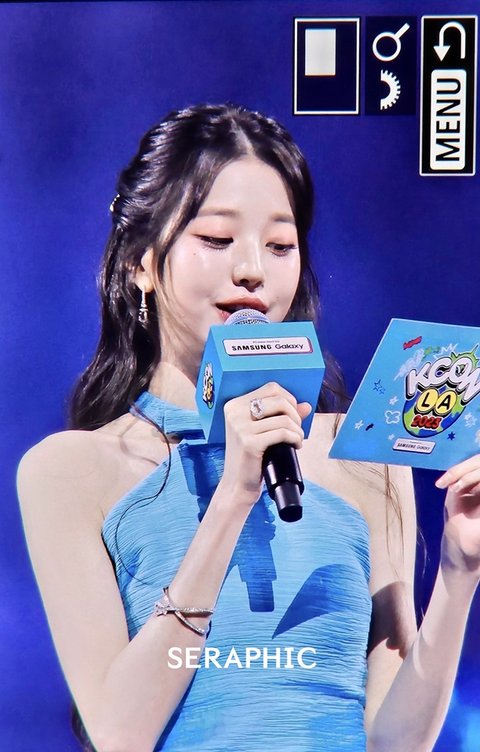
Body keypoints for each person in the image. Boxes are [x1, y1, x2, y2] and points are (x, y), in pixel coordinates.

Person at [17, 103, 480, 752]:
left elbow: (394, 741)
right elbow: (119, 734)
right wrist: (233, 496)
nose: (253, 270)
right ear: (140, 262)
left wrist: (459, 573)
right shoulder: (70, 470)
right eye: (217, 239)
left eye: (281, 245)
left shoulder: (363, 454)